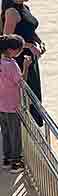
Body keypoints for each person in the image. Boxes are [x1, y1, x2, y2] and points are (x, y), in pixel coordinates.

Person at [3, 0, 45, 126]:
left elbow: (30, 29)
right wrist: (29, 46)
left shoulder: (25, 8)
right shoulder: (11, 12)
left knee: (34, 89)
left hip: (31, 57)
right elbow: (8, 38)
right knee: (26, 90)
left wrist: (39, 42)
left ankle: (35, 121)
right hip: (21, 58)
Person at [0, 35, 30, 173]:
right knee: (15, 134)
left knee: (5, 133)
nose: (20, 52)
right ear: (11, 50)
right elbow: (21, 82)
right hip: (12, 106)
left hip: (1, 106)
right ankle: (16, 162)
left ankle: (7, 159)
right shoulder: (11, 65)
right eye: (19, 49)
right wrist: (26, 66)